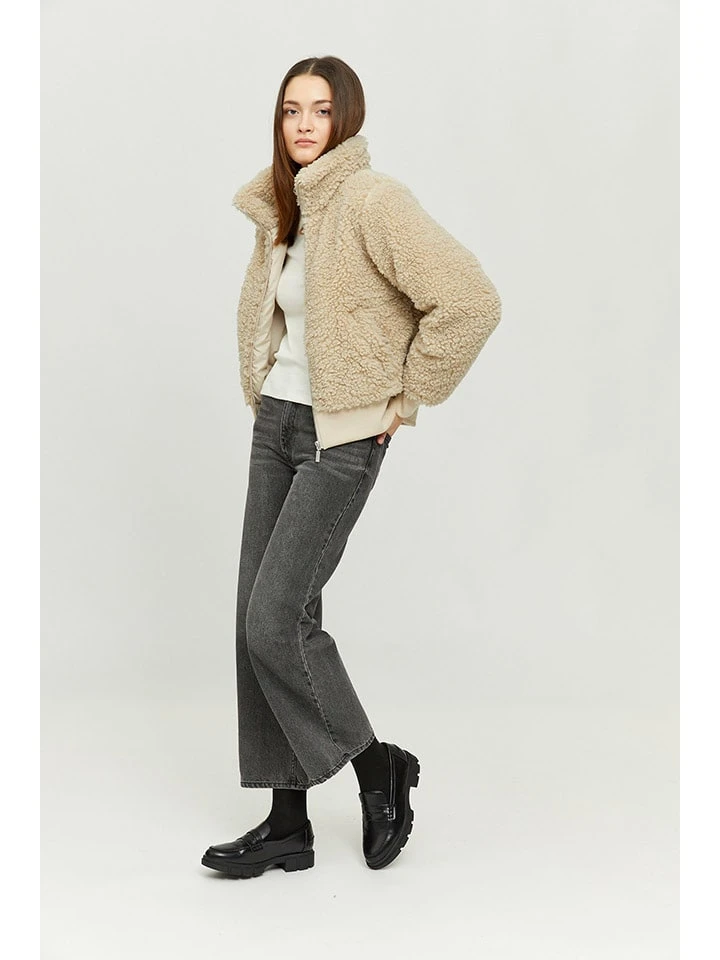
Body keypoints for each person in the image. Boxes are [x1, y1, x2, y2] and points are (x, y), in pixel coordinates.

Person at [201, 55, 502, 879]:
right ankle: (286, 823)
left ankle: (379, 767)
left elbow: (470, 300)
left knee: (275, 619)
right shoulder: (283, 209)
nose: (304, 123)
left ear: (347, 119)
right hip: (276, 425)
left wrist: (407, 397)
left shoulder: (372, 200)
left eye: (321, 109)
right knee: (255, 621)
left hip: (341, 437)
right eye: (291, 109)